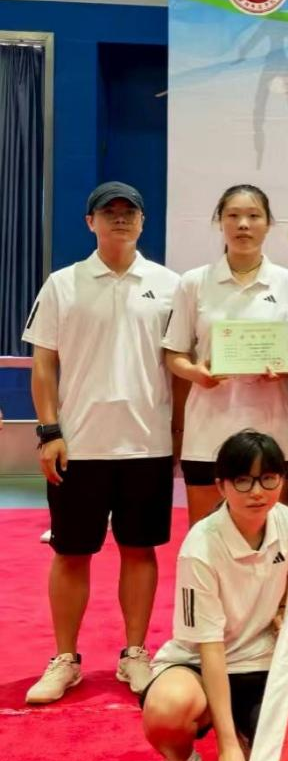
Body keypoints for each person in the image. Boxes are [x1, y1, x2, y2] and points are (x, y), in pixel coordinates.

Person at [22, 182, 181, 704]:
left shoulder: (169, 286)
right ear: (90, 222)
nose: (119, 218)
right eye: (108, 211)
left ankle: (134, 653)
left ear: (142, 221)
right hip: (79, 445)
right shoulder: (62, 284)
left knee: (140, 549)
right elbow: (43, 364)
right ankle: (65, 659)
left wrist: (178, 434)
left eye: (128, 211)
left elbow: (176, 365)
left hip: (147, 445)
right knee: (71, 553)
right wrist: (49, 431)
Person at [137, 430, 288, 761]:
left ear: (282, 480)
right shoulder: (201, 547)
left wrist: (281, 614)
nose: (257, 492)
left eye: (268, 478)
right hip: (199, 662)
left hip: (261, 661)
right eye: (243, 480)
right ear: (221, 485)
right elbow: (210, 648)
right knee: (167, 710)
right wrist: (225, 747)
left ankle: (252, 735)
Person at [164, 185, 288, 525]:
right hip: (208, 431)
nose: (243, 224)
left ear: (268, 224)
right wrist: (196, 373)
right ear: (219, 222)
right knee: (207, 536)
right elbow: (174, 354)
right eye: (233, 215)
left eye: (254, 216)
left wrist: (284, 369)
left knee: (273, 538)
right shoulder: (194, 282)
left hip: (273, 429)